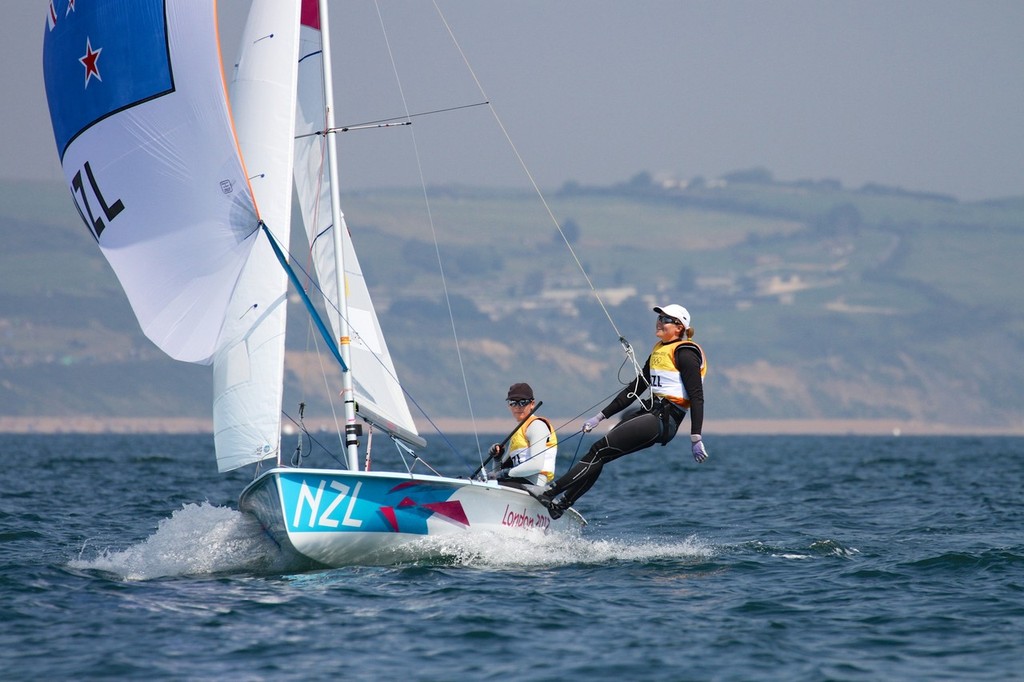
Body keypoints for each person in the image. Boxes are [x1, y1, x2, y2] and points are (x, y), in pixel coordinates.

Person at [538, 304, 708, 519]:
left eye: (666, 318)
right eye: (659, 317)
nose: (659, 321)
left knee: (598, 450)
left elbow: (697, 396)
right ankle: (560, 505)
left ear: (679, 327)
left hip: (665, 419)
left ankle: (549, 493)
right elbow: (636, 388)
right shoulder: (659, 349)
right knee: (602, 455)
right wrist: (601, 416)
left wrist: (696, 437)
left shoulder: (685, 353)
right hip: (652, 413)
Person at [487, 382, 558, 490]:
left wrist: (506, 473)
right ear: (509, 405)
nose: (517, 407)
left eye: (522, 402)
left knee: (492, 484)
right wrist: (497, 458)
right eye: (513, 403)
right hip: (516, 482)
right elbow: (498, 472)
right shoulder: (519, 431)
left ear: (532, 404)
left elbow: (536, 465)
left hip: (533, 485)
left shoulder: (536, 425)